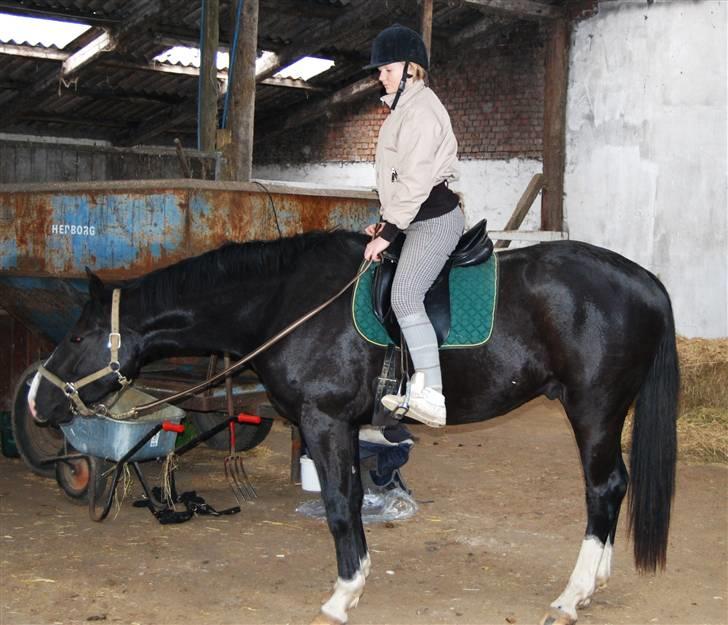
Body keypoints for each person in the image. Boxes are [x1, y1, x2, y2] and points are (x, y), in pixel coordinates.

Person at [363, 24, 464, 428]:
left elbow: (417, 179)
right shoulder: (402, 110)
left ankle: (434, 394)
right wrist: (387, 223)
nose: (380, 76)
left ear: (410, 69)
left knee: (405, 295)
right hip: (413, 218)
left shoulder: (421, 111)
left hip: (436, 219)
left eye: (386, 69)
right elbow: (396, 179)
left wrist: (389, 230)